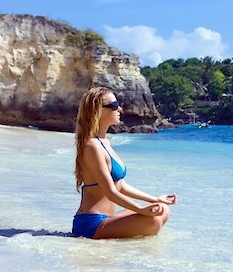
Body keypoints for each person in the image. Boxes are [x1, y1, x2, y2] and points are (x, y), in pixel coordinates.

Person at [72, 87, 177, 239]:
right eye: (114, 105)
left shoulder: (104, 142)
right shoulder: (92, 146)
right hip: (91, 224)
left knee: (162, 209)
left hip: (109, 218)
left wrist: (154, 199)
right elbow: (111, 192)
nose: (120, 108)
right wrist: (141, 210)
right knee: (152, 221)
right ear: (98, 111)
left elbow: (121, 186)